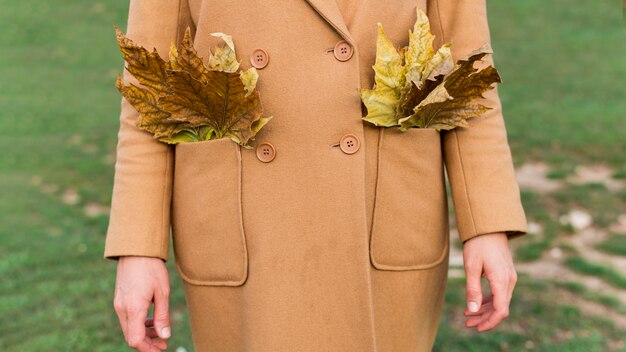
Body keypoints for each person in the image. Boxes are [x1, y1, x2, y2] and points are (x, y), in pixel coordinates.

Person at [104, 0, 528, 351]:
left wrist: (487, 225)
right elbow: (150, 93)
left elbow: (469, 80)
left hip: (380, 218)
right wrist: (139, 247)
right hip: (249, 230)